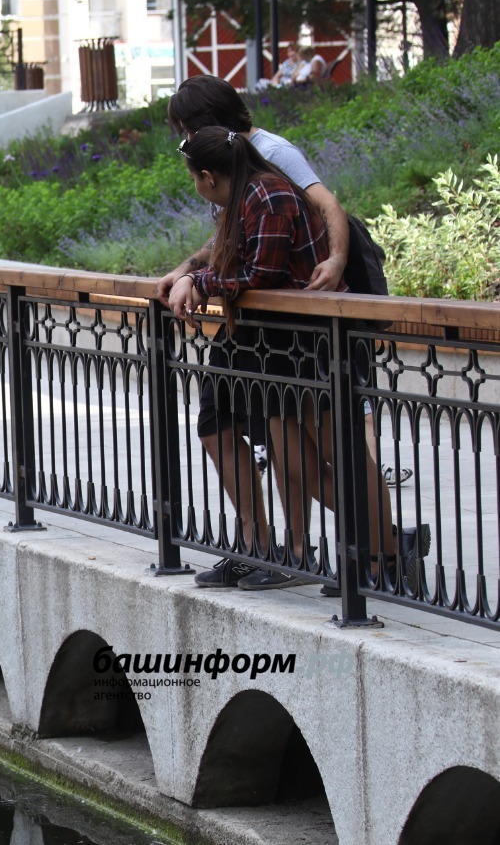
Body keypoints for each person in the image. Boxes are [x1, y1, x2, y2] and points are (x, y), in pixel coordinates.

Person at [168, 128, 407, 592]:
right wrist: (196, 276)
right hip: (279, 349)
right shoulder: (247, 197)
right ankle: (382, 548)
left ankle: (383, 560)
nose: (196, 188)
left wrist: (199, 281)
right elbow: (242, 266)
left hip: (312, 346)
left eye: (194, 179)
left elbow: (262, 272)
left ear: (208, 176)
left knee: (344, 457)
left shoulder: (268, 195)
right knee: (300, 467)